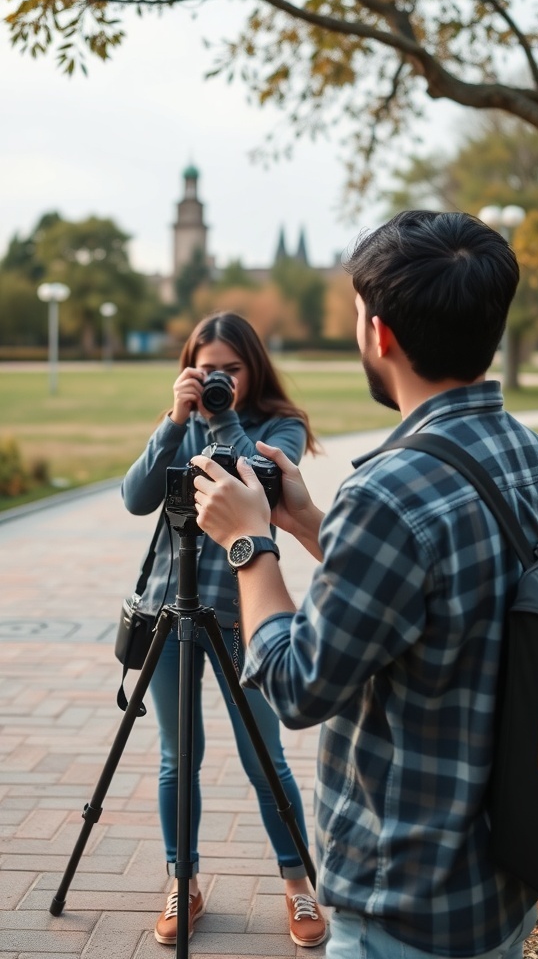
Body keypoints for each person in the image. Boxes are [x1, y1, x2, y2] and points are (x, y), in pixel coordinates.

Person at [191, 211, 538, 959]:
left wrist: (247, 543)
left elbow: (298, 687)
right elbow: (444, 593)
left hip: (405, 903)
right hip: (501, 878)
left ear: (379, 334)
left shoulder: (389, 494)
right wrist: (309, 525)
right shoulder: (535, 457)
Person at [121, 311, 326, 948]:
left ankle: (298, 887)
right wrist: (174, 421)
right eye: (208, 371)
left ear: (253, 369)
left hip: (246, 615)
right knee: (177, 758)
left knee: (264, 758)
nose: (220, 382)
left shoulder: (279, 428)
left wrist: (222, 418)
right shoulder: (180, 424)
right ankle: (182, 883)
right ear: (189, 368)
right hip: (169, 607)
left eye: (231, 371)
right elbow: (135, 497)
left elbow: (255, 492)